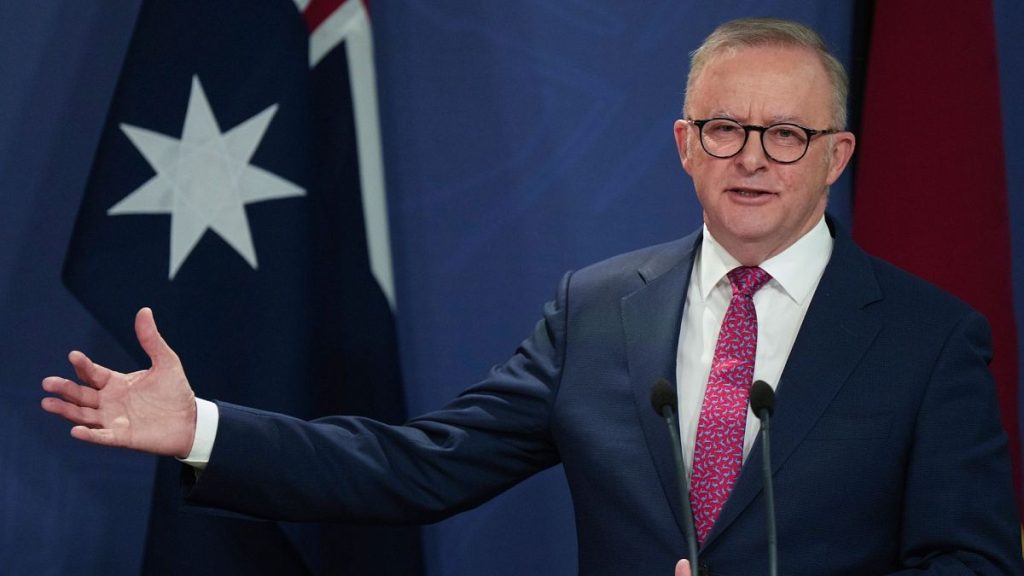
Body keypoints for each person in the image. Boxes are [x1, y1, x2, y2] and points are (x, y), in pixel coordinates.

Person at [42, 17, 1023, 575]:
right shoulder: (601, 311)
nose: (752, 158)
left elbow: (973, 568)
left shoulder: (928, 341)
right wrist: (206, 428)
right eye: (723, 129)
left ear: (836, 157)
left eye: (786, 135)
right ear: (685, 147)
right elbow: (414, 467)